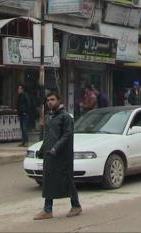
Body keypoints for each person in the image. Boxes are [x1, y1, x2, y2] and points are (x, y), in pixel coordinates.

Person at [34, 91, 81, 220]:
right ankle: (47, 210)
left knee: (67, 180)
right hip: (50, 155)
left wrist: (56, 148)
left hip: (62, 155)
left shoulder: (66, 117)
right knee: (48, 181)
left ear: (59, 100)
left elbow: (67, 135)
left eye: (52, 99)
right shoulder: (49, 117)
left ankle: (76, 205)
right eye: (48, 100)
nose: (50, 102)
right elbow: (47, 136)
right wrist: (42, 150)